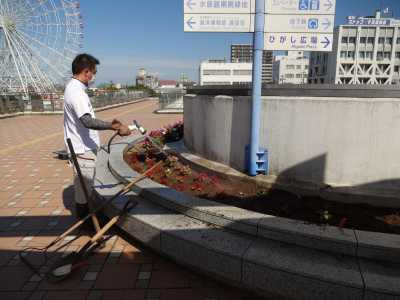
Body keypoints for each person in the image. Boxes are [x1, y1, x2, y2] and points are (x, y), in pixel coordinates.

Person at [63, 53, 131, 221]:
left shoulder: (75, 88)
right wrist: (112, 126)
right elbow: (86, 121)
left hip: (83, 148)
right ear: (86, 71)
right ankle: (86, 222)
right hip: (82, 149)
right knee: (83, 190)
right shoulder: (76, 91)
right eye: (93, 72)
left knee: (84, 188)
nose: (94, 76)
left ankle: (88, 218)